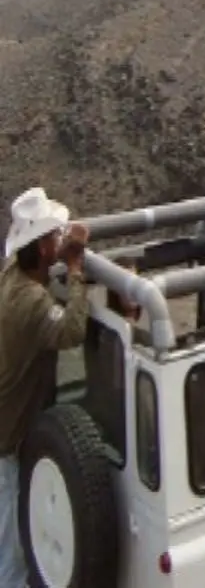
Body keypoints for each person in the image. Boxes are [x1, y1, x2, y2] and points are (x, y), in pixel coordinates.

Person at [0, 188, 91, 588]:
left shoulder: (10, 276)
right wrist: (75, 269)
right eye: (53, 237)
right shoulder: (31, 304)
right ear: (39, 249)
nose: (59, 242)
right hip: (5, 443)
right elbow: (71, 329)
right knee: (12, 552)